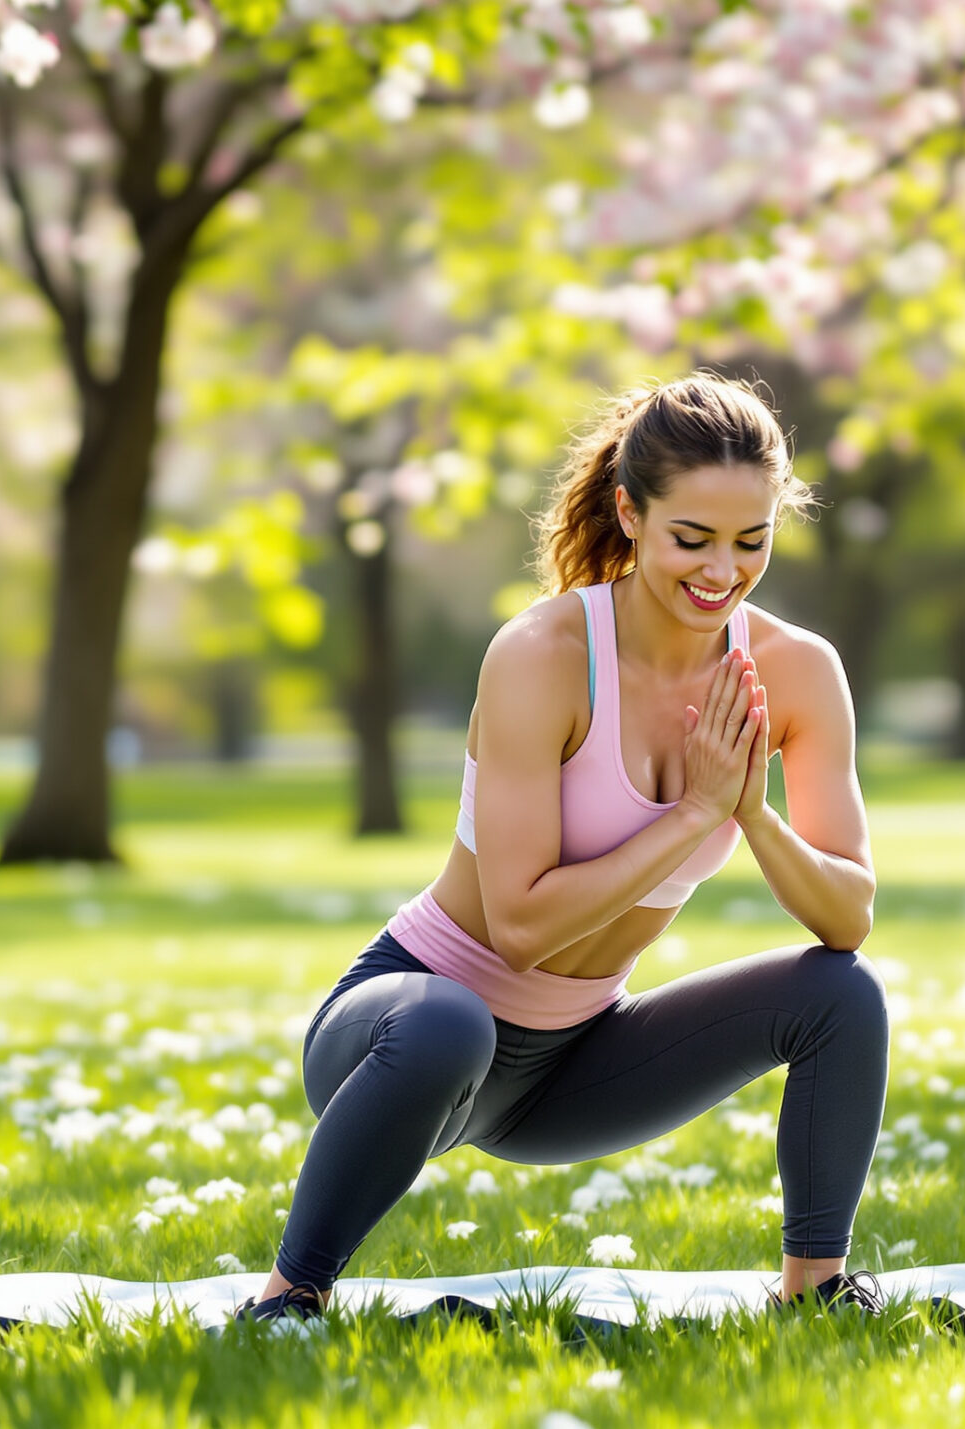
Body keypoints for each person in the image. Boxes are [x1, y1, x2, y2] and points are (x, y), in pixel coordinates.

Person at [237, 373, 890, 1322]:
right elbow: (519, 929)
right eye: (692, 539)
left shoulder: (796, 670)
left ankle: (816, 1290)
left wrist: (749, 812)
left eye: (752, 541)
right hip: (403, 1036)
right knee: (449, 1025)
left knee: (840, 994)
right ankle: (287, 1300)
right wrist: (689, 815)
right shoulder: (543, 655)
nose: (722, 570)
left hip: (573, 1065)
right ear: (630, 513)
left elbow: (849, 914)